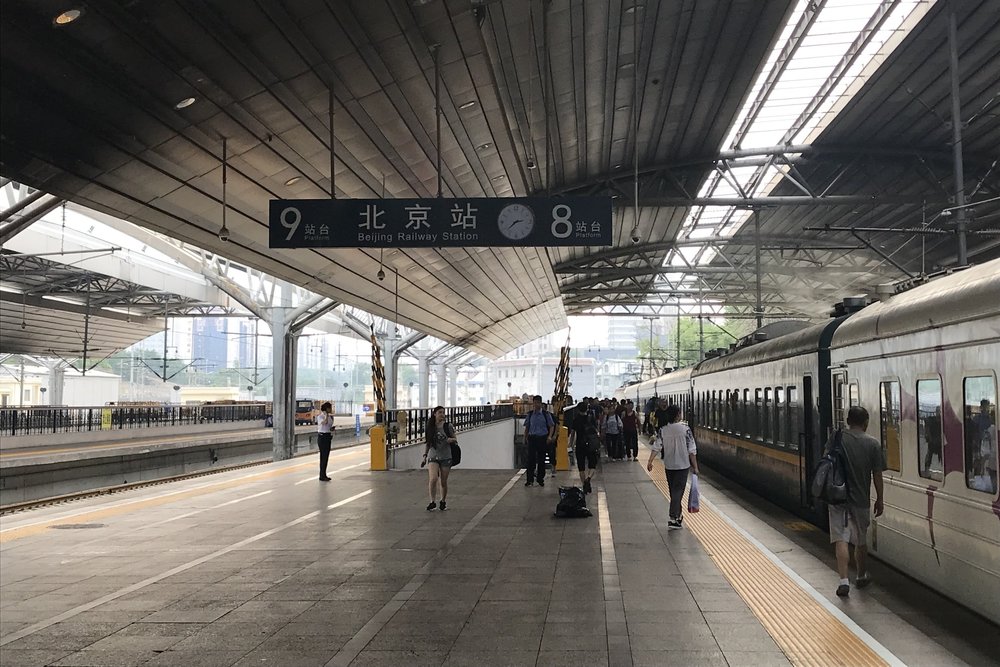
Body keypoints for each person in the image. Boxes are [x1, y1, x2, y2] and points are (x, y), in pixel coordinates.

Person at [825, 405, 885, 598]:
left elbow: (825, 461)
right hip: (860, 499)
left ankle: (843, 580)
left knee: (840, 538)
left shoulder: (836, 438)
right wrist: (880, 499)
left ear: (848, 421)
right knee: (860, 540)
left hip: (837, 497)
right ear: (866, 423)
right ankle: (860, 575)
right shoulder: (873, 444)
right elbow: (877, 475)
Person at [646, 404, 698, 530]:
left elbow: (656, 447)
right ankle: (673, 518)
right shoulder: (685, 430)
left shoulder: (663, 430)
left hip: (669, 465)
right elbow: (692, 450)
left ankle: (678, 516)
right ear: (678, 415)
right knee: (678, 492)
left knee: (673, 492)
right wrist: (695, 467)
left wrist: (650, 461)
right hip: (682, 465)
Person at [422, 406, 456, 511]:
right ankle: (432, 502)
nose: (442, 414)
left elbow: (455, 439)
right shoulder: (430, 427)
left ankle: (443, 501)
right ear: (434, 414)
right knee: (433, 479)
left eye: (443, 412)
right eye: (440, 412)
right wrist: (425, 456)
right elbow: (428, 443)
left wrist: (450, 440)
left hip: (446, 456)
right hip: (433, 455)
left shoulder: (448, 426)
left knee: (443, 481)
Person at [524, 395, 555, 487]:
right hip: (532, 438)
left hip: (542, 439)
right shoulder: (530, 415)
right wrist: (525, 438)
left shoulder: (546, 414)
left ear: (541, 404)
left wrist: (549, 436)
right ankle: (529, 480)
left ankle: (540, 479)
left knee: (541, 460)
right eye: (534, 403)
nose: (536, 405)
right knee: (531, 460)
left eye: (538, 403)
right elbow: (527, 427)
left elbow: (551, 426)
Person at [569, 401, 599, 494]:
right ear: (587, 408)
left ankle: (584, 484)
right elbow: (596, 430)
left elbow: (573, 434)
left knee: (581, 467)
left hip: (580, 445)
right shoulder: (591, 418)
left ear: (578, 410)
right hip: (591, 444)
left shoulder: (576, 419)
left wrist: (570, 444)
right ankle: (588, 479)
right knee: (592, 465)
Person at [315, 401, 334, 481]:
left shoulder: (330, 417)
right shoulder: (320, 416)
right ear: (327, 408)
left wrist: (332, 429)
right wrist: (326, 415)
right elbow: (324, 423)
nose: (331, 409)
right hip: (322, 437)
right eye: (330, 408)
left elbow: (328, 426)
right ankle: (321, 475)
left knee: (326, 457)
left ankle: (324, 474)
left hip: (328, 437)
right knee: (323, 456)